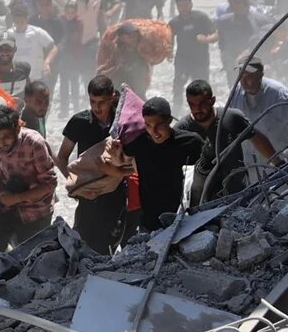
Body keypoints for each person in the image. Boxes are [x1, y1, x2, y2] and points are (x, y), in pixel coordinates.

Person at [57, 77, 133, 255]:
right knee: (82, 245)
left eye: (102, 102)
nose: (97, 108)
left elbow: (136, 162)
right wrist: (77, 186)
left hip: (115, 195)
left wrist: (116, 172)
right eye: (93, 102)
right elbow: (61, 158)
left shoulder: (122, 123)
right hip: (88, 197)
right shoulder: (79, 122)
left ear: (112, 98)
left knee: (110, 246)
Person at [180, 79, 274, 204]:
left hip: (239, 197)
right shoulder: (183, 129)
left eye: (202, 103)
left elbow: (257, 138)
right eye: (192, 105)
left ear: (212, 100)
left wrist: (277, 162)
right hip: (202, 204)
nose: (197, 109)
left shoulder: (231, 118)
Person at [122, 97, 205, 235]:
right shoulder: (139, 143)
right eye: (148, 125)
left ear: (169, 120)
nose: (154, 131)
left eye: (159, 125)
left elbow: (208, 170)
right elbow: (119, 158)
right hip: (148, 223)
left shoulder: (189, 142)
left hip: (182, 220)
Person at [0, 107, 58, 252]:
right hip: (6, 207)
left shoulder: (34, 143)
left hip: (35, 211)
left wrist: (17, 198)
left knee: (31, 257)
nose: (1, 143)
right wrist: (1, 192)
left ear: (17, 129)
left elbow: (49, 184)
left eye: (6, 137)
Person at [169, 0, 216, 89]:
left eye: (186, 5)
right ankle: (177, 99)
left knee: (201, 86)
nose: (183, 8)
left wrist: (207, 39)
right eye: (180, 6)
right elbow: (170, 39)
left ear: (191, 4)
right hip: (182, 59)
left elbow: (216, 34)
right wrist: (169, 52)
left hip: (200, 59)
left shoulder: (201, 18)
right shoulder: (174, 22)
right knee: (179, 81)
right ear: (177, 7)